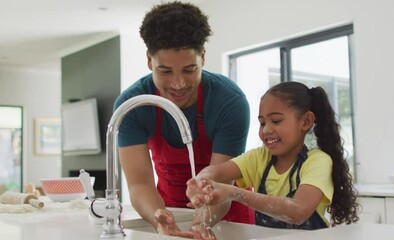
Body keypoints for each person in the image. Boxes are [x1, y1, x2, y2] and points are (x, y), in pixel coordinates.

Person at [114, 1, 252, 238]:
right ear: (149, 61)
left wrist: (200, 224)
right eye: (165, 71)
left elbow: (222, 182)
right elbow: (139, 184)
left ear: (203, 58)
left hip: (227, 217)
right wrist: (160, 217)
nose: (178, 84)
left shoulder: (229, 102)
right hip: (167, 210)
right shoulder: (133, 106)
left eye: (189, 70)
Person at [187, 81, 359, 231]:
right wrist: (199, 183)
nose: (266, 129)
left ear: (305, 121)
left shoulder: (318, 161)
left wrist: (235, 193)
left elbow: (298, 212)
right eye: (262, 123)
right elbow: (216, 171)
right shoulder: (259, 158)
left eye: (276, 121)